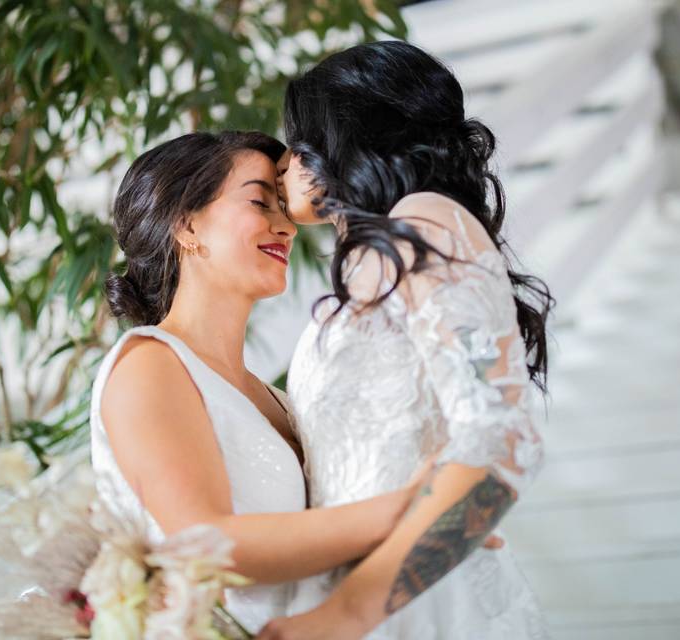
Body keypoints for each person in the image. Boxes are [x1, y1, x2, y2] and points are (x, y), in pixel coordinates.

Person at [261, 41, 555, 639]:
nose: (281, 164)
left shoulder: (424, 221)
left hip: (416, 604)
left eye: (299, 144)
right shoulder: (374, 257)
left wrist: (342, 617)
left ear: (344, 139)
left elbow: (502, 438)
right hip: (355, 588)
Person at [90, 130, 429, 634]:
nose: (285, 228)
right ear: (185, 224)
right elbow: (204, 544)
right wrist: (411, 509)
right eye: (259, 202)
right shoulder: (149, 365)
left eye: (284, 211)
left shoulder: (276, 398)